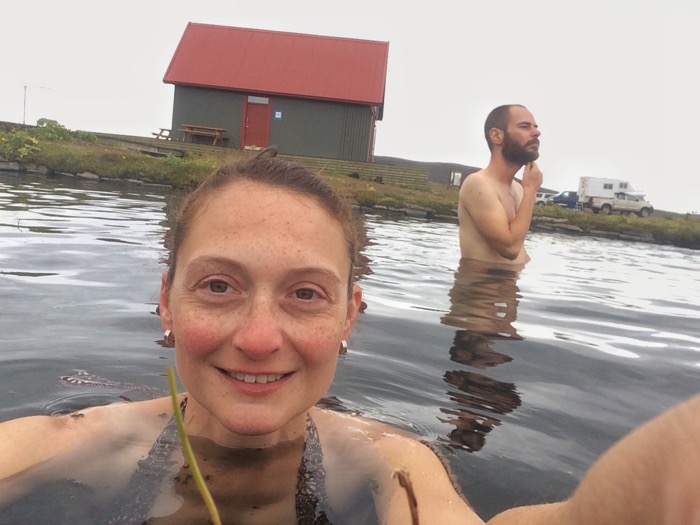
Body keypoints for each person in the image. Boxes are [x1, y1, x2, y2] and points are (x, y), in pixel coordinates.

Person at [0, 149, 482, 524]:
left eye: (306, 293)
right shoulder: (88, 444)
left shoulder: (390, 463)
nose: (258, 339)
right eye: (218, 286)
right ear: (167, 301)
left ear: (347, 318)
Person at [458, 104, 543, 264]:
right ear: (496, 136)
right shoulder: (478, 184)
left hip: (512, 279)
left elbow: (520, 252)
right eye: (524, 126)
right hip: (480, 280)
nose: (536, 133)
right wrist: (531, 190)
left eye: (535, 127)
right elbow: (510, 249)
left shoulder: (519, 189)